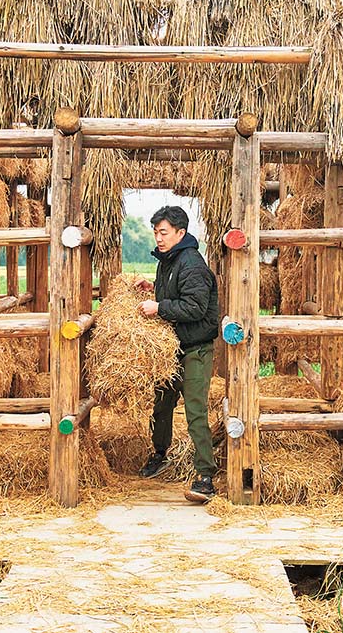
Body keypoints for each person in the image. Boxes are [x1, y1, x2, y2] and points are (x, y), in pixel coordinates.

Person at [135, 205, 220, 503]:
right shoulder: (169, 261)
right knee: (161, 404)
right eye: (156, 232)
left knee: (195, 411)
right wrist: (153, 288)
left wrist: (159, 308)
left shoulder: (192, 263)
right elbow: (175, 292)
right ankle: (160, 454)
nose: (158, 238)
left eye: (164, 232)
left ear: (180, 233)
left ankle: (205, 477)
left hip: (195, 348)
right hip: (173, 348)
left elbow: (194, 307)